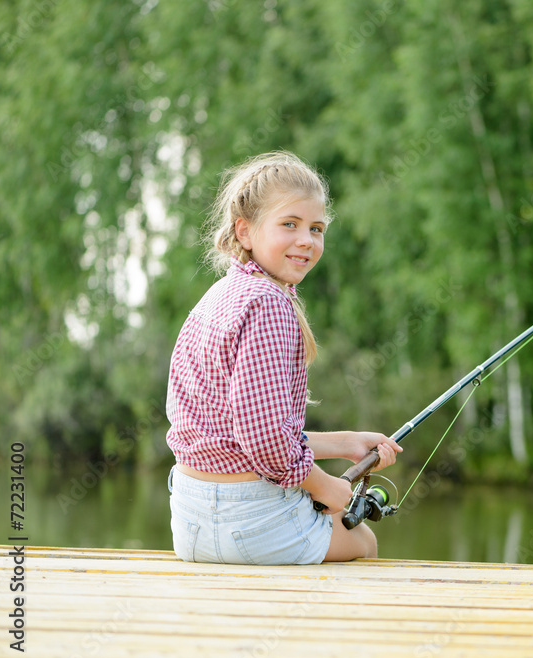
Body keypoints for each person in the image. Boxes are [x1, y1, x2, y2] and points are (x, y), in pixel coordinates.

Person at [165, 151, 401, 565]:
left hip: (190, 526)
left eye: (316, 228)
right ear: (245, 231)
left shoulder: (218, 296)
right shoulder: (270, 305)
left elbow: (239, 434)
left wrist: (345, 444)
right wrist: (325, 486)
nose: (307, 240)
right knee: (363, 543)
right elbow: (266, 440)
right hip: (251, 522)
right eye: (289, 224)